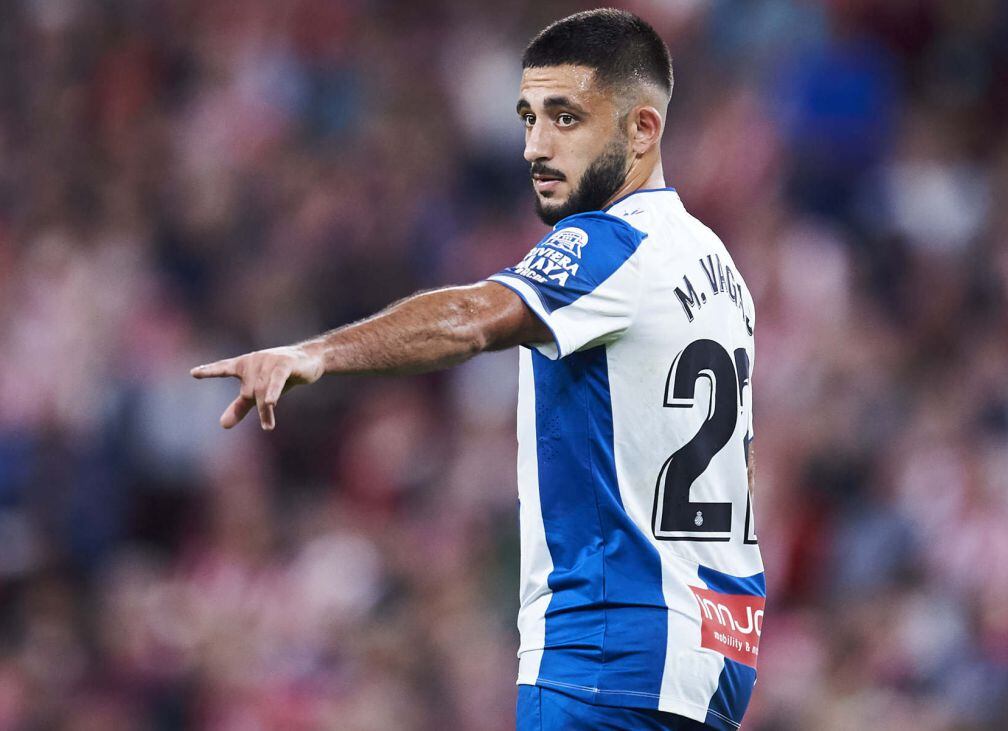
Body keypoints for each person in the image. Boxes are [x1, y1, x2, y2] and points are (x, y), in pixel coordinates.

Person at [192, 9, 763, 731]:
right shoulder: (719, 267)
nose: (535, 146)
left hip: (609, 649)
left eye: (565, 119)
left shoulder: (607, 243)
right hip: (713, 645)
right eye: (529, 118)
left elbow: (471, 317)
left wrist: (315, 353)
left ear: (641, 130)